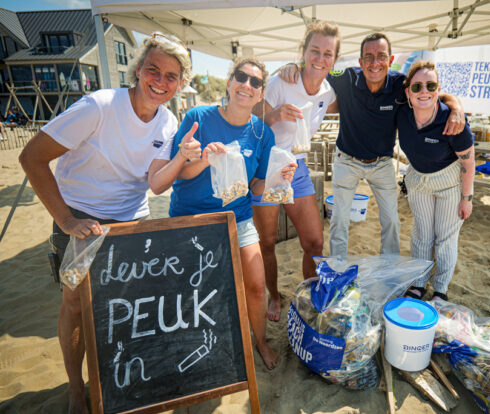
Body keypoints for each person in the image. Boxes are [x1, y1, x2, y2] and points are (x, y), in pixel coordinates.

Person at [19, 32, 198, 413]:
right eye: (153, 70)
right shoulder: (98, 106)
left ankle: (117, 380)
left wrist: (185, 157)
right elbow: (31, 157)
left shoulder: (168, 121)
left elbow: (154, 182)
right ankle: (75, 390)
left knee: (128, 307)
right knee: (75, 306)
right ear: (138, 70)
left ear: (181, 83)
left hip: (132, 223)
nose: (160, 82)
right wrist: (66, 219)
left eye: (171, 76)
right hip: (80, 218)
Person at [280, 33, 466, 258]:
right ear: (360, 62)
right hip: (347, 160)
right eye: (368, 57)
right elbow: (319, 68)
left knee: (392, 220)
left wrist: (457, 107)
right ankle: (338, 266)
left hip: (382, 163)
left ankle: (388, 268)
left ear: (391, 60)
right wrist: (295, 65)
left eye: (381, 57)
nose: (375, 63)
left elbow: (436, 93)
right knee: (339, 220)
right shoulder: (347, 77)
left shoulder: (400, 84)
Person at [168, 57, 296, 370]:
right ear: (229, 82)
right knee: (194, 291)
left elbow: (256, 186)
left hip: (237, 218)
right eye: (241, 77)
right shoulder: (198, 117)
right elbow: (178, 173)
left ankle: (260, 342)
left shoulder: (262, 133)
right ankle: (196, 346)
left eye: (255, 82)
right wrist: (204, 157)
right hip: (191, 218)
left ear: (261, 93)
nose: (247, 85)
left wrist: (279, 177)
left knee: (256, 285)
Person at [251, 21, 339, 322]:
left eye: (328, 53)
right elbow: (250, 117)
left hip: (297, 167)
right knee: (267, 242)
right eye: (315, 50)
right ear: (303, 52)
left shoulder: (328, 92)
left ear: (334, 60)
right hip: (266, 168)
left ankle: (310, 297)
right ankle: (275, 296)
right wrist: (274, 114)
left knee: (314, 242)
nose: (320, 59)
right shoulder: (282, 82)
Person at [396, 60, 474, 301]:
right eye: (417, 86)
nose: (424, 91)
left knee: (445, 239)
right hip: (418, 181)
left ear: (438, 90)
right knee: (422, 235)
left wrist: (467, 198)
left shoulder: (452, 120)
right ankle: (419, 283)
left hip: (450, 184)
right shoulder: (403, 114)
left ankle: (441, 288)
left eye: (431, 86)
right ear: (408, 92)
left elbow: (468, 163)